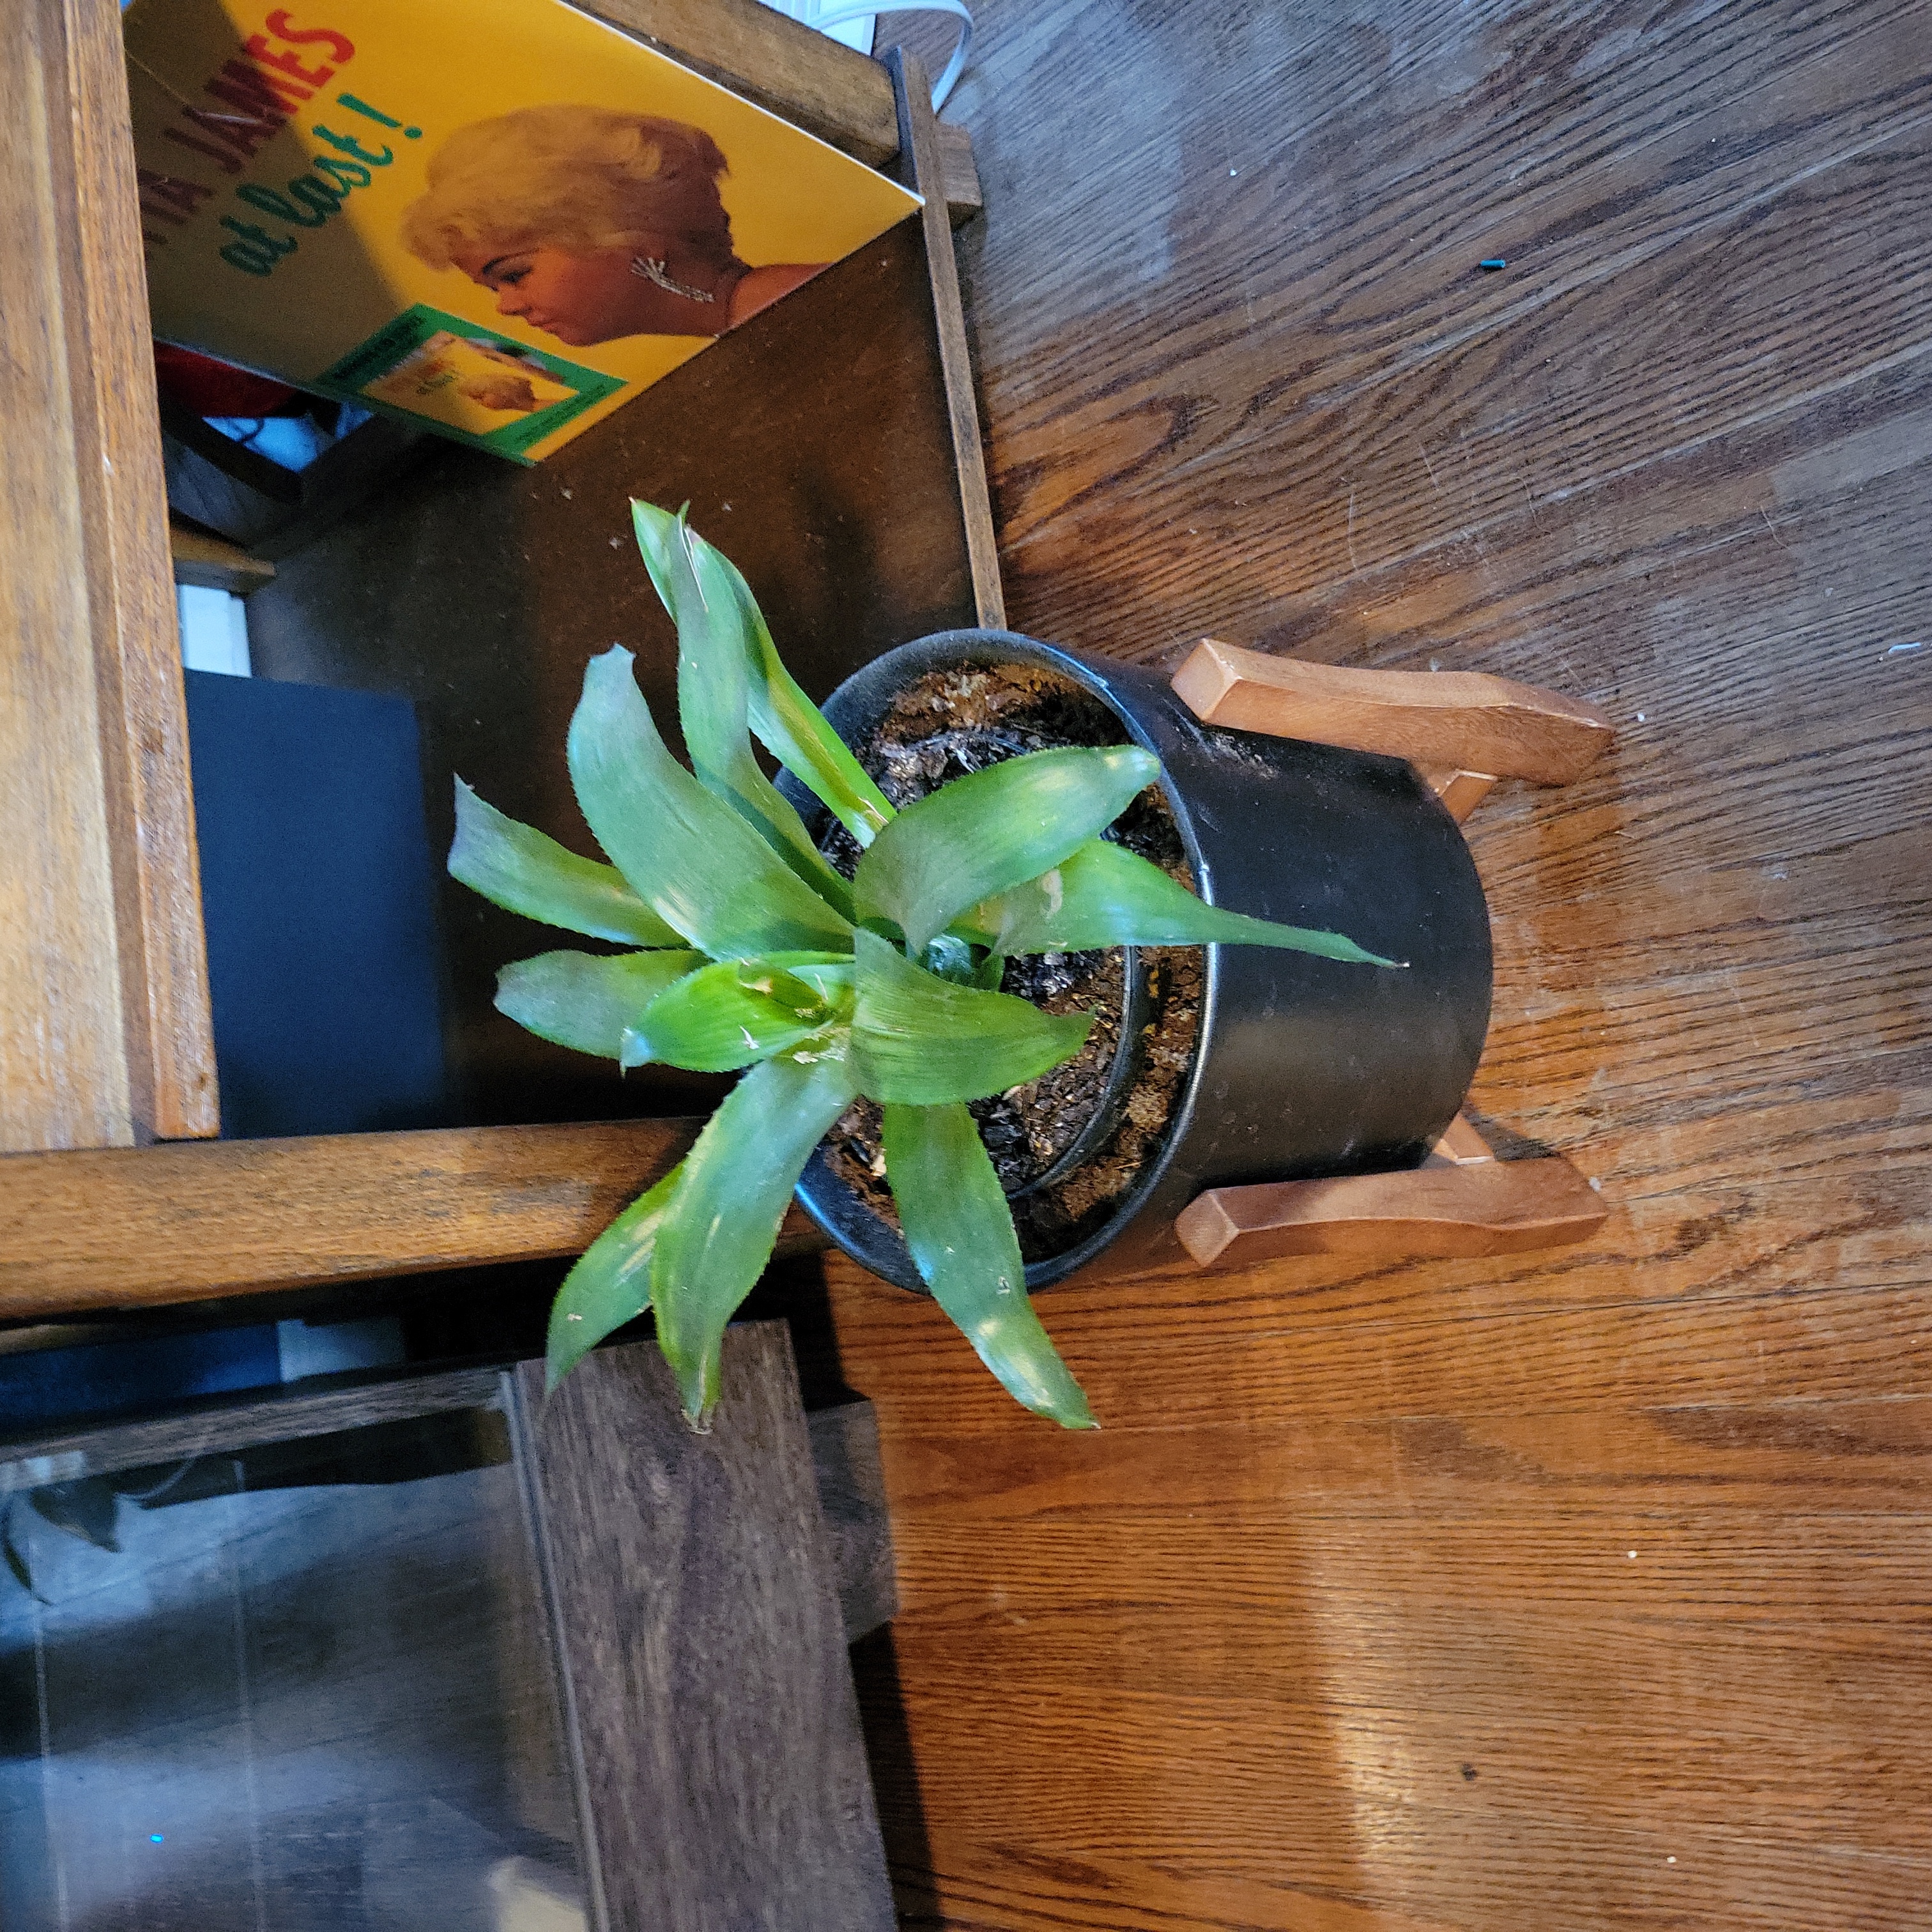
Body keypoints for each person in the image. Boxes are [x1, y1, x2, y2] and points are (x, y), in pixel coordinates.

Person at [399, 104, 824, 348]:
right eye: (495, 289)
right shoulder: (750, 324)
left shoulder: (807, 317)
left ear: (632, 233)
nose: (507, 307)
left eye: (514, 275)